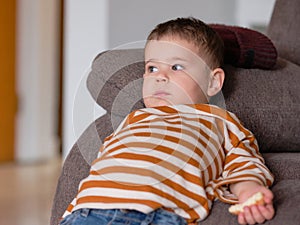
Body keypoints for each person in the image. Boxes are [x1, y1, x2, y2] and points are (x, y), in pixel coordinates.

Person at [59, 17, 274, 225]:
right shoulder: (132, 119)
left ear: (213, 82)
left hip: (158, 215)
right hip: (87, 212)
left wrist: (249, 191)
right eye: (152, 68)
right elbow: (101, 166)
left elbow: (244, 164)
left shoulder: (220, 121)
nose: (159, 76)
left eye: (176, 67)